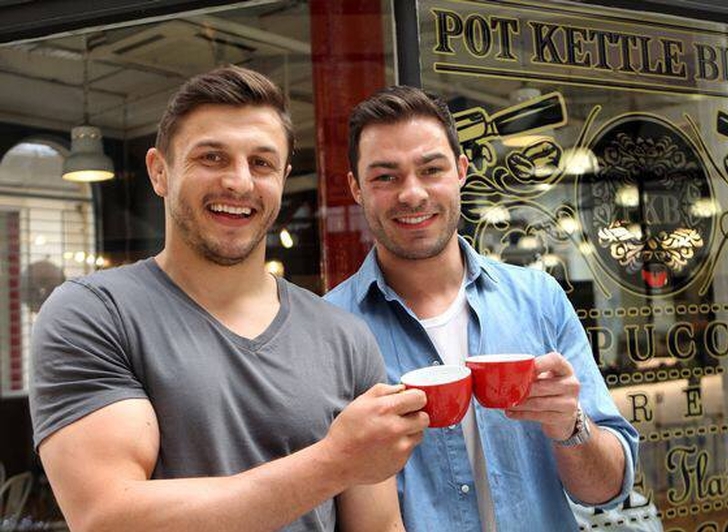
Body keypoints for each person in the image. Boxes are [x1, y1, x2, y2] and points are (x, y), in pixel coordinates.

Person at [29, 66, 429, 532]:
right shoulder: (95, 314)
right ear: (159, 171)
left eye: (261, 163)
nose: (239, 183)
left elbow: (378, 526)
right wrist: (333, 462)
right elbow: (109, 517)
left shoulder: (344, 337)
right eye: (212, 157)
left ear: (283, 177)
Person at [325, 86, 639, 531]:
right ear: (356, 188)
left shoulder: (538, 300)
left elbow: (607, 490)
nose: (412, 194)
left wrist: (571, 427)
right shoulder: (329, 329)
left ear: (460, 171)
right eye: (385, 177)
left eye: (431, 169)